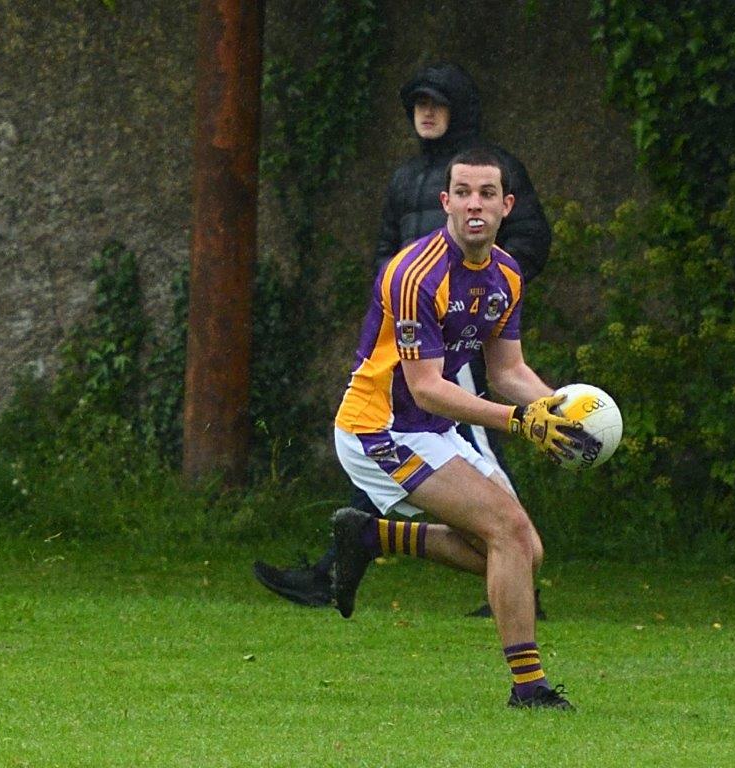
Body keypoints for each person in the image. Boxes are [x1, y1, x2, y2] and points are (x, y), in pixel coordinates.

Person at [253, 63, 552, 614]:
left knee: (480, 485)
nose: (427, 113)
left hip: (462, 331)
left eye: (438, 103)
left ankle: (380, 544)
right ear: (447, 200)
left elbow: (529, 243)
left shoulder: (494, 171)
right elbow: (387, 252)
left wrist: (479, 300)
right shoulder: (407, 178)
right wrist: (401, 301)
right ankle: (377, 552)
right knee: (435, 450)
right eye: (418, 104)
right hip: (416, 339)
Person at [331, 148, 578, 709]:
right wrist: (520, 423)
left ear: (506, 206)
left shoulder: (507, 274)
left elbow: (508, 371)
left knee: (523, 551)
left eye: (487, 194)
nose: (474, 204)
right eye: (463, 192)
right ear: (445, 202)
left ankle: (371, 536)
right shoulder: (414, 273)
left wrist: (563, 413)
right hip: (377, 430)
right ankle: (529, 688)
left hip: (435, 428)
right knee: (509, 533)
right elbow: (426, 387)